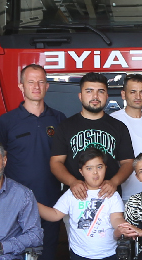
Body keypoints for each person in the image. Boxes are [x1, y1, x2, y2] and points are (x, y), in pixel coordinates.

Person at [0, 64, 68, 260]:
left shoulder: (59, 119)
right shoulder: (6, 121)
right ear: (21, 86)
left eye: (41, 82)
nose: (36, 87)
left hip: (50, 202)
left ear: (47, 86)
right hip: (14, 205)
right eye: (31, 82)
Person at [50, 72, 135, 203]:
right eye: (89, 91)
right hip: (75, 199)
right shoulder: (65, 126)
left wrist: (114, 182)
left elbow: (128, 162)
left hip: (109, 199)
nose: (95, 96)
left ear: (106, 96)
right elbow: (56, 162)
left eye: (100, 91)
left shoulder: (119, 127)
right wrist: (72, 182)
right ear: (80, 96)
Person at [115, 74, 142, 200]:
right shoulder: (114, 119)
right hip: (124, 193)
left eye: (141, 92)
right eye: (133, 92)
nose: (138, 97)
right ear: (123, 94)